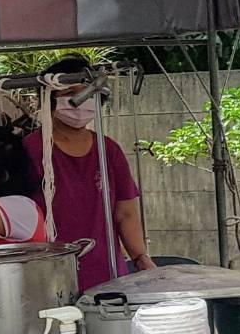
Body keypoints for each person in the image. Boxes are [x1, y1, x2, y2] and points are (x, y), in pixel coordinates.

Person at [23, 58, 156, 291]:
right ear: (49, 99)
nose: (79, 101)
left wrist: (140, 257)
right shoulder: (30, 150)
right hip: (47, 276)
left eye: (87, 93)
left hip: (108, 274)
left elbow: (126, 212)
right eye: (70, 93)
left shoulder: (108, 150)